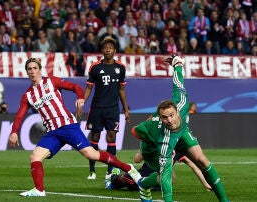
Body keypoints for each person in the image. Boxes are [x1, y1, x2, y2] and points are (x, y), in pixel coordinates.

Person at [8, 57, 142, 197]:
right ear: (27, 72)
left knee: (91, 154)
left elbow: (75, 87)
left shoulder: (51, 81)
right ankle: (39, 190)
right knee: (35, 157)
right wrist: (14, 132)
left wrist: (80, 98)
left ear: (40, 70)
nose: (32, 71)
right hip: (52, 132)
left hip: (68, 126)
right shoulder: (28, 95)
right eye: (29, 69)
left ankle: (128, 168)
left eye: (35, 68)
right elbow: (19, 115)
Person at [130, 55, 229, 202]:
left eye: (171, 115)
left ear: (177, 111)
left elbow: (178, 82)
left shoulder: (182, 102)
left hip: (181, 132)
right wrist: (149, 139)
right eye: (164, 117)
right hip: (152, 146)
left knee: (201, 160)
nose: (169, 120)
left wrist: (177, 64)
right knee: (165, 174)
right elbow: (134, 130)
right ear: (160, 117)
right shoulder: (163, 140)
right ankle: (144, 184)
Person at [81, 36, 130, 180]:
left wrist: (126, 109)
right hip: (97, 108)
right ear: (102, 50)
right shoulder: (95, 67)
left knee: (111, 136)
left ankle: (110, 171)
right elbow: (89, 87)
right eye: (105, 48)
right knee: (95, 137)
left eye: (110, 48)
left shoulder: (120, 67)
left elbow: (121, 89)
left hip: (112, 109)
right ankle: (92, 170)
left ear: (114, 51)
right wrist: (82, 101)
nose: (108, 50)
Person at [107, 150, 212, 192]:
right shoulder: (154, 141)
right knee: (127, 180)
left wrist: (206, 184)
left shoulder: (178, 147)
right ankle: (112, 178)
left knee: (155, 187)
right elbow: (137, 159)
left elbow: (192, 165)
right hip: (140, 176)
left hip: (158, 182)